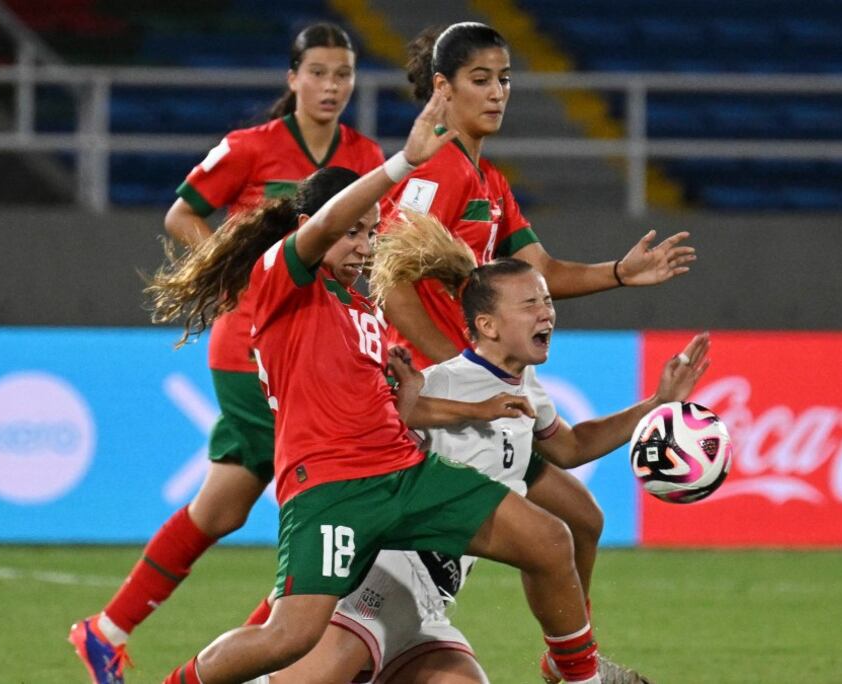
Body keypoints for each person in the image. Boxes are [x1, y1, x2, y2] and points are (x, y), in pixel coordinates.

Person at [159, 92, 607, 684]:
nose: (364, 247)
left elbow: (403, 409)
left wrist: (473, 406)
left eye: (371, 235)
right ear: (310, 229)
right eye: (354, 234)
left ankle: (581, 677)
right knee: (288, 636)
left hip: (402, 475)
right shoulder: (278, 277)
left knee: (549, 538)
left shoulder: (361, 309)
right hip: (331, 488)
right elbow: (324, 224)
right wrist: (402, 163)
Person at [256, 214, 710, 684]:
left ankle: (573, 665)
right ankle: (579, 672)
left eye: (548, 301)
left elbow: (572, 447)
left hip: (427, 609)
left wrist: (657, 403)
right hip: (376, 589)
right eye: (531, 303)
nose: (547, 312)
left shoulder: (524, 386)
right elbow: (381, 438)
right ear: (488, 326)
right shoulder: (445, 383)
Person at [379, 22, 699, 681]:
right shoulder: (435, 167)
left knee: (579, 518)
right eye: (480, 80)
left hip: (475, 395)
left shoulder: (488, 178)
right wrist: (460, 377)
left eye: (504, 80)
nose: (497, 93)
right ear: (443, 89)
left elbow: (540, 270)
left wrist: (619, 272)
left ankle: (566, 663)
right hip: (428, 405)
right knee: (525, 539)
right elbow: (389, 285)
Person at [68, 23, 387, 684]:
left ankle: (107, 630)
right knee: (340, 505)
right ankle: (262, 663)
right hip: (255, 351)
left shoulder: (366, 157)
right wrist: (237, 276)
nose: (331, 86)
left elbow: (374, 246)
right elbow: (182, 213)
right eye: (319, 72)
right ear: (292, 78)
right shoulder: (251, 149)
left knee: (222, 509)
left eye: (343, 75)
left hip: (322, 350)